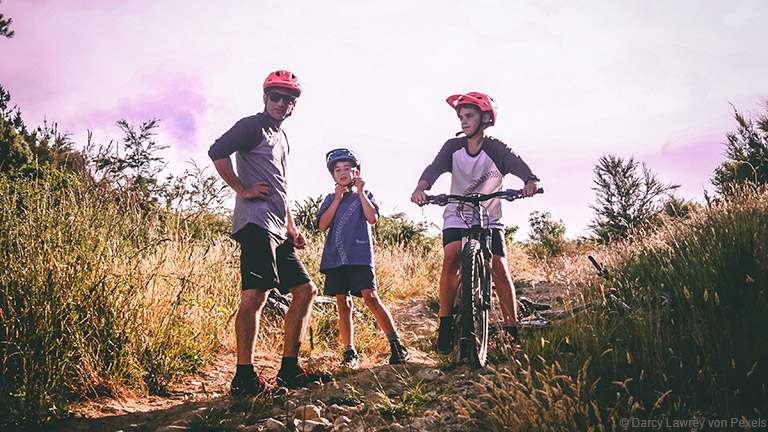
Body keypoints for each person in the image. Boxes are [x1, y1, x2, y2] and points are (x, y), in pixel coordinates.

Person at [208, 70, 324, 395]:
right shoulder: (252, 126)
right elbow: (217, 150)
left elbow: (281, 186)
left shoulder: (282, 137)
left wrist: (291, 226)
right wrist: (241, 187)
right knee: (255, 296)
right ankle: (244, 378)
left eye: (289, 99)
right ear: (265, 97)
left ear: (293, 105)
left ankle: (289, 370)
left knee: (306, 291)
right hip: (256, 224)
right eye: (276, 96)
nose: (282, 102)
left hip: (277, 227)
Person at [410, 92, 540, 354]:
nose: (463, 121)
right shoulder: (452, 147)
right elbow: (433, 170)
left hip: (489, 214)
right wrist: (421, 189)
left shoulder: (496, 148)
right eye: (460, 117)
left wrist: (530, 182)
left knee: (500, 267)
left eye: (469, 116)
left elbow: (518, 166)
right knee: (452, 255)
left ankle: (512, 332)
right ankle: (445, 325)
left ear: (485, 118)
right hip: (457, 211)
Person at [317, 148, 409, 368]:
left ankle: (396, 345)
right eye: (337, 170)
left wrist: (360, 193)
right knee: (343, 303)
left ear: (355, 172)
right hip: (335, 258)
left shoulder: (365, 195)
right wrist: (337, 200)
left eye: (347, 168)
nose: (342, 173)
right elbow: (322, 225)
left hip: (359, 255)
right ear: (332, 176)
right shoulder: (330, 198)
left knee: (371, 297)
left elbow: (372, 218)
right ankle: (349, 352)